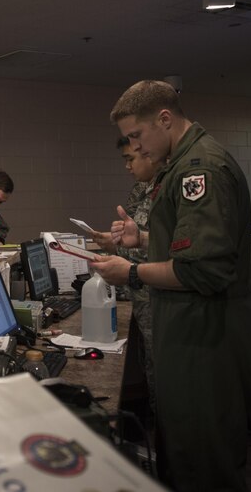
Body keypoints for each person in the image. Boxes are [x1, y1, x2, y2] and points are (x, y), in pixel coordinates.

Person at [90, 80, 251, 492]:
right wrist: (143, 240)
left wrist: (129, 272)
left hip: (205, 338)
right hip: (188, 332)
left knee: (203, 465)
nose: (134, 147)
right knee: (181, 456)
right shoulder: (180, 163)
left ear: (164, 119)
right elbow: (191, 242)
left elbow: (201, 270)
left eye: (136, 135)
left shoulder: (199, 169)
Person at [90, 137, 158, 413]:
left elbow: (175, 248)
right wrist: (114, 242)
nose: (128, 166)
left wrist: (128, 267)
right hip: (141, 293)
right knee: (152, 373)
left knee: (163, 379)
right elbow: (137, 237)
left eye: (131, 158)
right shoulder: (143, 188)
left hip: (157, 293)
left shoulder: (171, 189)